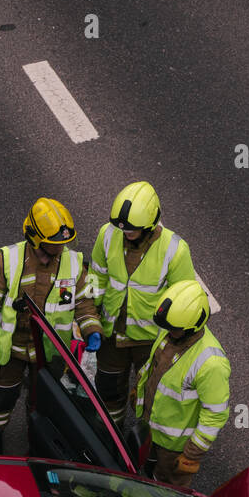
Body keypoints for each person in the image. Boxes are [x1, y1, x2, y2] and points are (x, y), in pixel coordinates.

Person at [0, 198, 102, 439]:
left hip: (49, 350)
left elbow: (84, 302)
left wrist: (91, 328)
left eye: (64, 243)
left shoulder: (74, 264)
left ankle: (37, 440)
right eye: (55, 244)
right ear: (35, 238)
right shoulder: (7, 260)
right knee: (3, 396)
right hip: (11, 347)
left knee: (42, 399)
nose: (61, 249)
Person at [90, 182, 197, 427]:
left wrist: (175, 345)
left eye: (131, 229)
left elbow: (184, 300)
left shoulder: (175, 250)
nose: (125, 233)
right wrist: (89, 318)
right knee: (108, 393)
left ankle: (141, 445)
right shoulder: (108, 234)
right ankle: (110, 439)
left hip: (149, 343)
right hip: (111, 337)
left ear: (149, 225)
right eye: (122, 227)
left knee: (149, 400)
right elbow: (97, 277)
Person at [134, 280, 230, 487]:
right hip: (150, 429)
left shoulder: (211, 364)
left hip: (173, 447)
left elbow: (215, 415)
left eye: (173, 330)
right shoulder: (173, 330)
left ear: (193, 327)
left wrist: (192, 454)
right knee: (146, 477)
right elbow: (154, 367)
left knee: (168, 492)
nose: (167, 332)